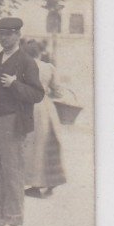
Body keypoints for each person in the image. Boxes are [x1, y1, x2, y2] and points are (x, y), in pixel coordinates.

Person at [0, 18, 45, 226]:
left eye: (8, 34)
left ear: (18, 35)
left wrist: (15, 84)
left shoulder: (26, 62)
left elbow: (37, 94)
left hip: (13, 121)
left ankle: (13, 219)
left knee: (12, 170)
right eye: (1, 34)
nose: (4, 38)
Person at [22, 39, 67, 198]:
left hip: (29, 107)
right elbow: (59, 92)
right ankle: (51, 180)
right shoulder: (49, 67)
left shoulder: (23, 67)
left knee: (32, 147)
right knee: (48, 143)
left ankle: (34, 185)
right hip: (46, 108)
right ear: (40, 52)